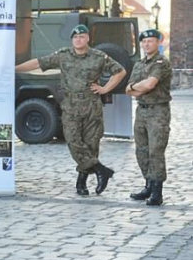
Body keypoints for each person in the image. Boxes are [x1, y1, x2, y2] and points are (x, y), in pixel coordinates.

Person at [15, 24, 126, 196]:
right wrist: (14, 69)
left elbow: (120, 71)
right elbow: (39, 62)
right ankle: (100, 170)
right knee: (73, 142)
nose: (78, 40)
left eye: (82, 36)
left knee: (91, 145)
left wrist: (105, 89)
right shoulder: (64, 55)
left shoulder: (98, 56)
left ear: (87, 38)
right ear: (72, 40)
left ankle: (81, 183)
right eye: (75, 37)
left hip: (91, 107)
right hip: (71, 107)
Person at [125, 29, 172, 206]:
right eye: (144, 42)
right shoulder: (139, 64)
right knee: (142, 151)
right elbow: (127, 90)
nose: (147, 44)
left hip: (158, 112)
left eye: (150, 41)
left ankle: (157, 192)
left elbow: (151, 84)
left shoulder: (161, 62)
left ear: (158, 43)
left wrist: (136, 87)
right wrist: (138, 87)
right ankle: (148, 185)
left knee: (156, 152)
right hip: (141, 111)